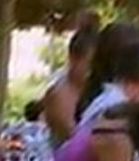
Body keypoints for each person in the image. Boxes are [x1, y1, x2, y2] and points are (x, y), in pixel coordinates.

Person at [42, 16, 100, 149]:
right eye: (89, 64)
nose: (93, 70)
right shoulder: (58, 94)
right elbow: (73, 135)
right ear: (73, 59)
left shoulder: (99, 90)